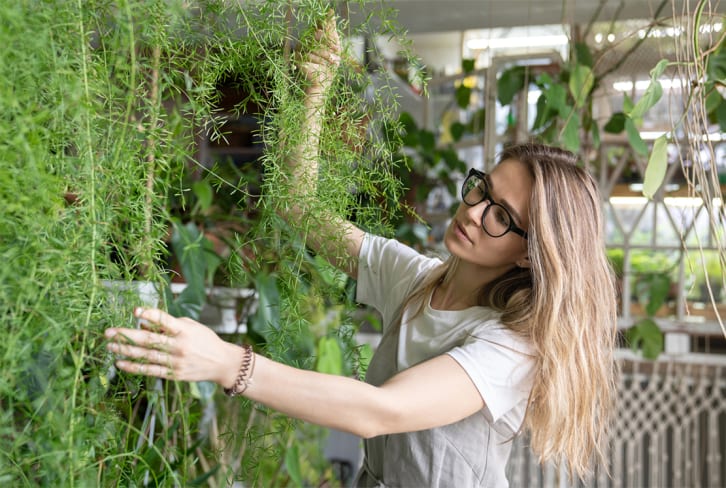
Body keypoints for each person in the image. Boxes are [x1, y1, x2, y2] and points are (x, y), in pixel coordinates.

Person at [104, 15, 618, 487]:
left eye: (502, 217)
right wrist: (313, 92)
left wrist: (226, 363)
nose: (474, 212)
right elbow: (299, 208)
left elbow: (380, 410)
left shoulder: (512, 345)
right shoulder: (418, 279)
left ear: (533, 254)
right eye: (483, 189)